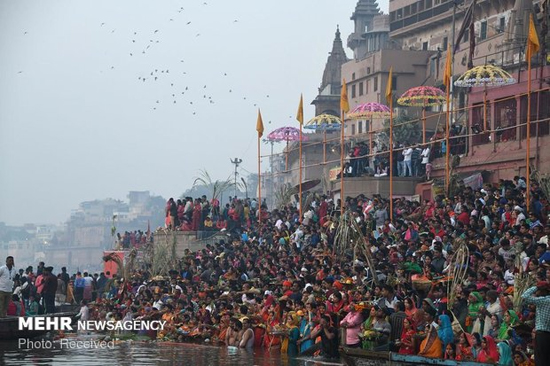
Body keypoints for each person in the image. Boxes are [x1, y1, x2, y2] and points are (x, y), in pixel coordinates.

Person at [521, 281, 550, 366]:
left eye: (538, 290)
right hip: (547, 334)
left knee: (540, 360)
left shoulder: (544, 300)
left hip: (542, 334)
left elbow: (524, 296)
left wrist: (536, 287)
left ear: (543, 290)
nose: (537, 293)